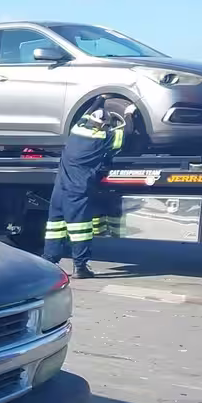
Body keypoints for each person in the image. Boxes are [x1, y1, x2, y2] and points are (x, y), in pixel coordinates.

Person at [44, 98, 134, 279]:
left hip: (59, 191)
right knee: (80, 230)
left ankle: (48, 262)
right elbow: (127, 133)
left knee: (55, 226)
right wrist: (129, 114)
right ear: (102, 126)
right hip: (76, 192)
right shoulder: (102, 141)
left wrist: (99, 100)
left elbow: (86, 114)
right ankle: (80, 267)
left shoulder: (75, 132)